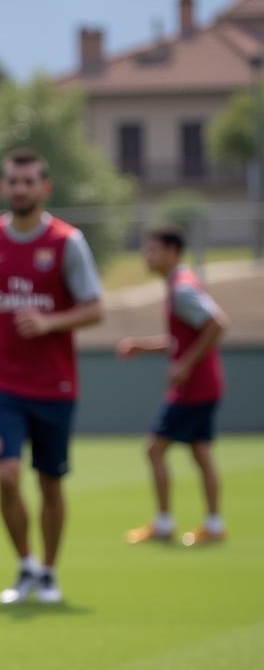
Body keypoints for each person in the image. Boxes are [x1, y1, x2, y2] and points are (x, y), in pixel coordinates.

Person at [0, 149, 104, 605]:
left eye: (29, 182)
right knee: (6, 475)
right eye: (13, 182)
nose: (20, 189)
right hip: (3, 382)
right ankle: (25, 564)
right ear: (2, 188)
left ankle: (50, 572)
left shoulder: (68, 242)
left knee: (49, 481)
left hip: (54, 383)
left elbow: (95, 309)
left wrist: (50, 323)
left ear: (46, 188)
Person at [118, 225, 227, 547]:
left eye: (152, 249)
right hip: (205, 384)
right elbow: (183, 339)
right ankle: (214, 524)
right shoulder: (181, 284)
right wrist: (143, 346)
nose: (146, 256)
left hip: (194, 387)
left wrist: (185, 365)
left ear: (171, 252)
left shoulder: (181, 288)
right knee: (201, 454)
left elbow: (218, 324)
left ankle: (164, 524)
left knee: (154, 449)